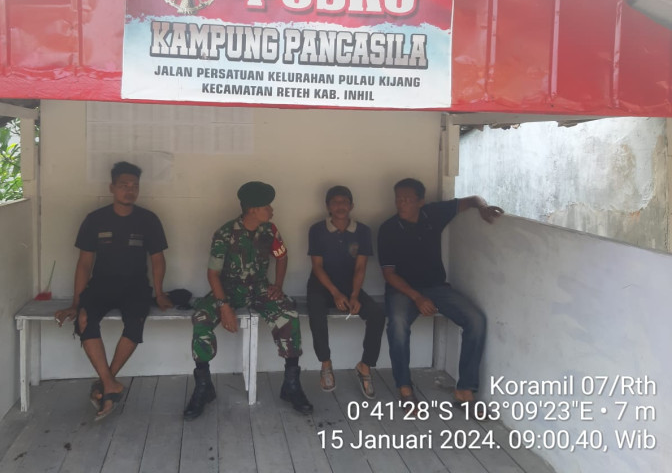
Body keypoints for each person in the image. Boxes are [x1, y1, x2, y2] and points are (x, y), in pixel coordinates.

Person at [184, 181, 312, 420]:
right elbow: (213, 274)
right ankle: (203, 386)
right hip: (228, 290)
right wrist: (224, 307)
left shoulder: (270, 231)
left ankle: (291, 385)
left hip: (259, 288)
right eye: (267, 206)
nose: (271, 210)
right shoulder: (225, 233)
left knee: (289, 315)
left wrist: (278, 286)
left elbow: (282, 257)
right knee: (201, 318)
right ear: (252, 209)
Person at [54, 161, 172, 421]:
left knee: (135, 321)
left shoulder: (148, 220)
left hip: (135, 287)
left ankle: (107, 382)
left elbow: (157, 260)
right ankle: (110, 384)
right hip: (101, 286)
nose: (130, 190)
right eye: (123, 185)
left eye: (134, 186)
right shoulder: (95, 220)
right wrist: (76, 303)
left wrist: (160, 293)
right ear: (112, 188)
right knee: (84, 319)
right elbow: (84, 264)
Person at [377, 178, 503, 408]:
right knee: (397, 325)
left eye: (407, 199)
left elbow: (472, 200)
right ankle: (404, 388)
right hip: (402, 290)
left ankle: (465, 390)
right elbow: (389, 274)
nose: (401, 203)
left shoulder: (433, 213)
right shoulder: (388, 229)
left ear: (420, 202)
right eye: (398, 199)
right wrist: (417, 297)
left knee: (476, 320)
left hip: (436, 287)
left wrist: (483, 207)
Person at [306, 186, 385, 398]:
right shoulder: (317, 229)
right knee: (316, 311)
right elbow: (317, 267)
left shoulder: (362, 231)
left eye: (344, 202)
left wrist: (354, 295)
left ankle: (365, 366)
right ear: (328, 206)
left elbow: (360, 267)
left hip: (350, 287)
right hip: (321, 285)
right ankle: (326, 364)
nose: (340, 206)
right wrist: (335, 293)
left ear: (351, 206)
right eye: (335, 202)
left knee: (377, 314)